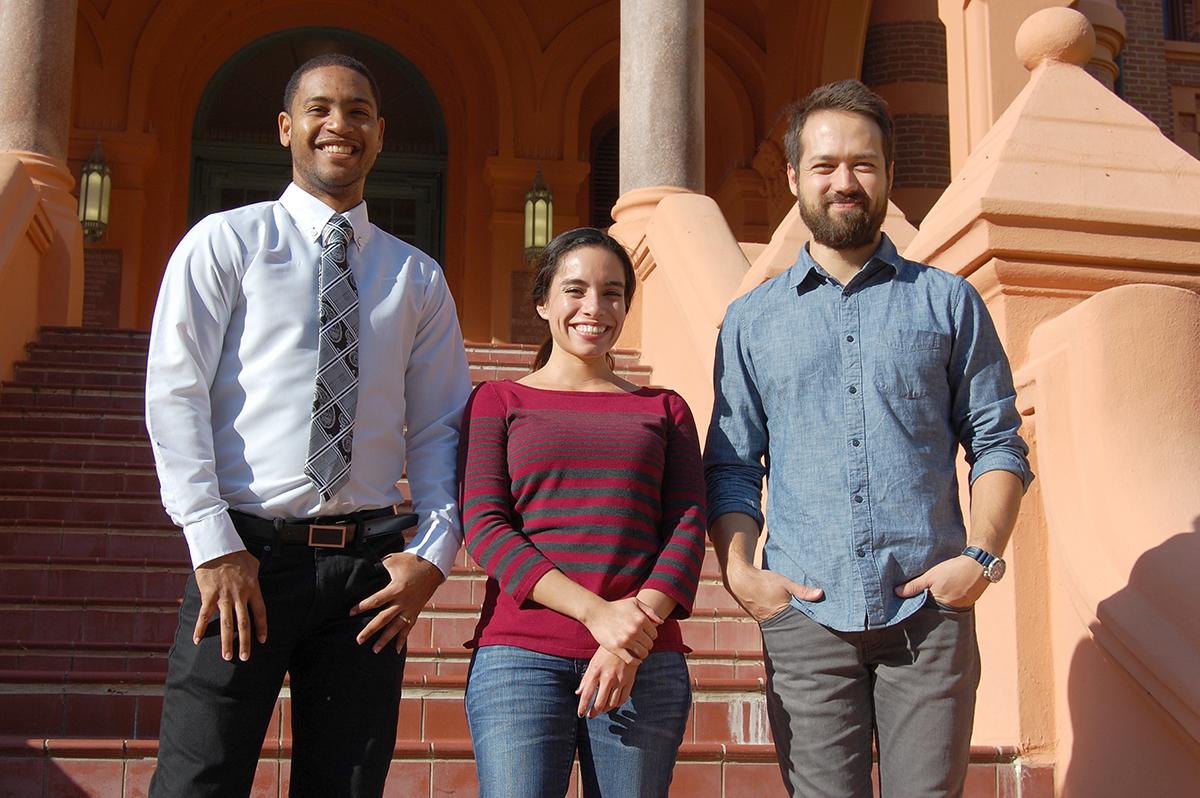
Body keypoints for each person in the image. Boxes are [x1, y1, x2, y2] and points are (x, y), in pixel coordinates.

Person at [144, 53, 472, 797]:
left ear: (380, 135)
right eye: (321, 109)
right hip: (241, 559)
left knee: (347, 788)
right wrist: (211, 543)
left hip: (366, 575)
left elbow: (441, 428)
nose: (340, 125)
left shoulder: (416, 278)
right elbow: (176, 395)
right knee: (199, 780)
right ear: (287, 127)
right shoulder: (224, 243)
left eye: (358, 112)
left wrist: (433, 551)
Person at [704, 80, 1033, 798]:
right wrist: (742, 576)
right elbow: (731, 464)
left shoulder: (948, 302)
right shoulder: (751, 321)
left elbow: (998, 441)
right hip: (806, 620)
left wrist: (979, 559)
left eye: (864, 164)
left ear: (886, 174)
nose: (844, 182)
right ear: (794, 178)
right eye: (824, 166)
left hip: (929, 614)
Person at [457, 227, 707, 798]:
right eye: (575, 289)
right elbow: (487, 528)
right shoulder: (498, 400)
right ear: (543, 302)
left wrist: (628, 636)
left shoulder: (665, 408)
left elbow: (688, 526)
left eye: (613, 292)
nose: (594, 307)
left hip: (642, 661)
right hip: (521, 660)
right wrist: (599, 616)